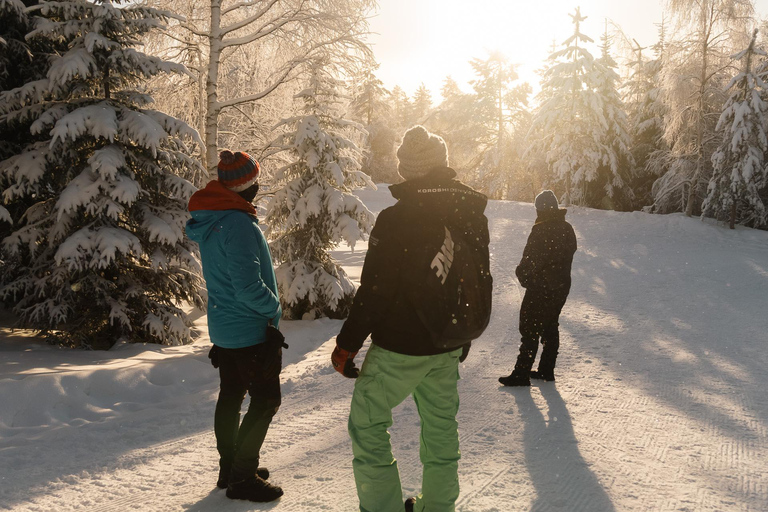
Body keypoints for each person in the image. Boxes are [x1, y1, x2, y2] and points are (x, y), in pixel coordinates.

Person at [332, 125, 490, 512]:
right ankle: (437, 506)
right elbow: (475, 279)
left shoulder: (397, 218)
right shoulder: (471, 213)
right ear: (442, 165)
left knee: (368, 424)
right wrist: (462, 333)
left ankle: (382, 507)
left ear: (406, 170)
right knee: (440, 428)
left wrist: (347, 343)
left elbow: (376, 290)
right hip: (448, 343)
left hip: (400, 346)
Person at [185, 150, 285, 502]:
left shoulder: (214, 220)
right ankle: (242, 479)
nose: (258, 186)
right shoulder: (239, 223)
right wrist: (274, 306)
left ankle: (231, 468)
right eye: (255, 181)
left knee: (231, 396)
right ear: (246, 185)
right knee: (266, 399)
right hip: (249, 329)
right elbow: (248, 286)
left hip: (225, 328)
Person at [499, 189, 577, 387]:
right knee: (550, 325)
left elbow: (532, 259)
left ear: (540, 209)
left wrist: (522, 275)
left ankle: (521, 373)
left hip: (540, 287)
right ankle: (546, 369)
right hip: (561, 287)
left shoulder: (542, 229)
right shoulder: (567, 228)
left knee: (530, 328)